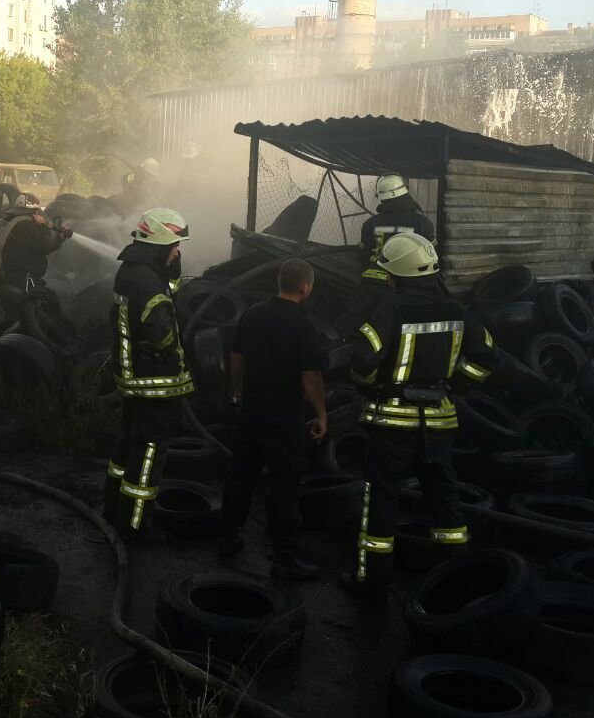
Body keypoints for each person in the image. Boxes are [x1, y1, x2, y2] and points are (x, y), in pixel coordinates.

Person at [345, 232, 494, 598]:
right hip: (439, 421)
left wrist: (368, 385)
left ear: (395, 276)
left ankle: (372, 582)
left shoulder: (390, 310)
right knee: (445, 499)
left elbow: (363, 359)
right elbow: (489, 358)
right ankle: (454, 580)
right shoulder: (459, 312)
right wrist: (457, 385)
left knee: (381, 499)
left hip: (393, 423)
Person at [218, 258, 328, 581]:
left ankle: (227, 540)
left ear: (279, 283)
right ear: (306, 288)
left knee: (240, 477)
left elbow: (237, 360)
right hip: (284, 418)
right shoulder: (303, 325)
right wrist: (321, 413)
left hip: (251, 412)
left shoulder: (252, 315)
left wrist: (237, 392)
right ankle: (286, 559)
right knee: (284, 487)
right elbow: (310, 377)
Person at [102, 208, 194, 538]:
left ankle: (112, 510)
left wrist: (173, 272)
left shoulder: (133, 271)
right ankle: (136, 526)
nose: (177, 251)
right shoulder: (146, 283)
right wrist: (172, 349)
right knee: (150, 451)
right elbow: (160, 331)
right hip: (152, 380)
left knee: (128, 445)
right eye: (174, 246)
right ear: (158, 246)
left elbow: (167, 290)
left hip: (131, 377)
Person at [0, 192, 73, 327]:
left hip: (8, 279)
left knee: (12, 318)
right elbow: (45, 246)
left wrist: (57, 235)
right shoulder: (27, 227)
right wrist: (46, 228)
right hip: (24, 282)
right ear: (35, 211)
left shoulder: (11, 224)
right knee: (25, 321)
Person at [359, 174, 435, 285]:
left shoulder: (370, 224)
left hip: (373, 282)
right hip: (408, 283)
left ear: (382, 198)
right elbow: (432, 255)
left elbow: (363, 255)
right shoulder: (422, 223)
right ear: (405, 194)